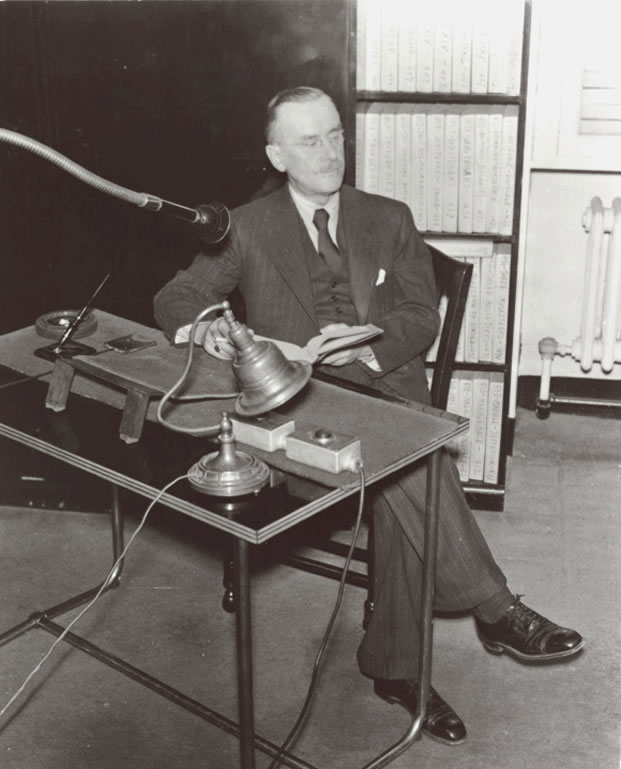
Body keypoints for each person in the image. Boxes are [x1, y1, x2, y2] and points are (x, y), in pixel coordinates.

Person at [154, 87, 583, 746]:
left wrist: (367, 340)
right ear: (276, 154)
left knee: (402, 461)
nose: (329, 153)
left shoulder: (387, 216)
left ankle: (398, 666)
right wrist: (205, 330)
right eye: (309, 141)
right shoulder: (245, 225)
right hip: (296, 406)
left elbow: (419, 312)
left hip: (384, 387)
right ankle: (482, 617)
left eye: (335, 136)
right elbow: (178, 294)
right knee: (412, 465)